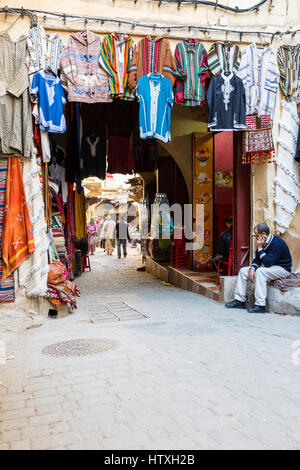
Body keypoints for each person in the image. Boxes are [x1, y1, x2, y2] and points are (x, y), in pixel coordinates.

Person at [225, 223, 292, 313]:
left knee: (260, 271)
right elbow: (257, 259)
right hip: (270, 268)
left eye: (256, 235)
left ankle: (260, 305)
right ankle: (239, 301)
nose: (256, 237)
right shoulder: (263, 242)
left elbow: (268, 262)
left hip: (282, 269)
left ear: (263, 234)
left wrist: (260, 248)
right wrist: (252, 268)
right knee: (243, 271)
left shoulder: (277, 243)